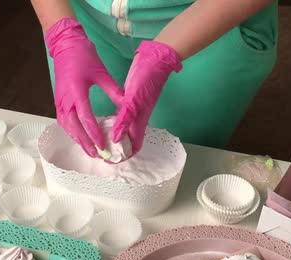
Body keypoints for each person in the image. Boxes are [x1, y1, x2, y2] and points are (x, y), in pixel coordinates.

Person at [31, 0, 277, 158]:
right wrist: (62, 35)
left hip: (216, 21)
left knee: (176, 157)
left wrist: (164, 54)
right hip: (79, 15)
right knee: (87, 146)